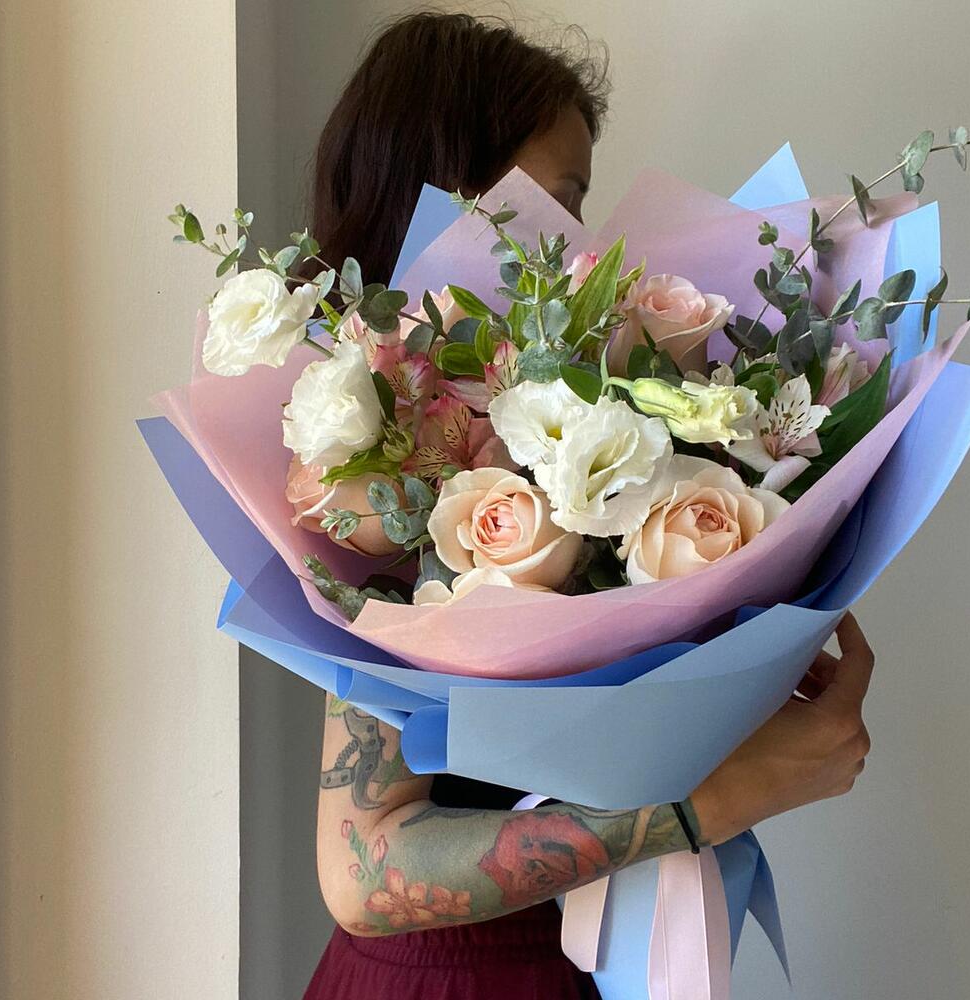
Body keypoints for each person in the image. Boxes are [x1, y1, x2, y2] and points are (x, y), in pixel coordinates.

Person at [301, 13, 874, 1000]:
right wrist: (710, 801)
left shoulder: (563, 421)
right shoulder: (390, 456)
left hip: (586, 954)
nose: (586, 243)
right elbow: (364, 871)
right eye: (561, 202)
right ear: (452, 194)